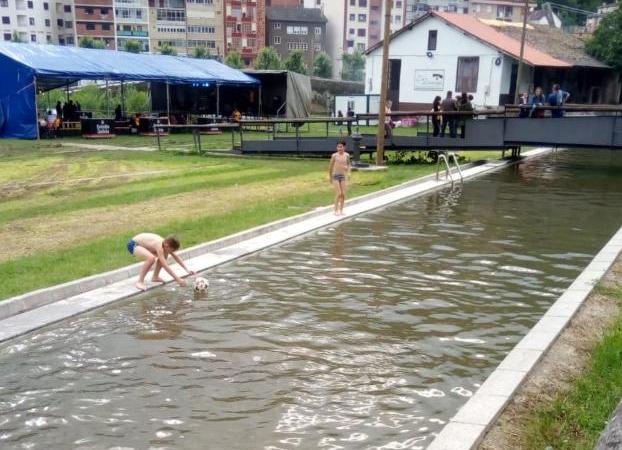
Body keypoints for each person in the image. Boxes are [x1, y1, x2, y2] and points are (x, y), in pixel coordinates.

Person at [127, 233, 195, 291]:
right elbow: (165, 265)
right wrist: (178, 279)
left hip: (143, 245)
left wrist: (187, 270)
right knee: (151, 258)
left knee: (164, 254)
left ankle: (155, 277)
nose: (171, 252)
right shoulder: (159, 246)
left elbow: (176, 257)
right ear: (167, 245)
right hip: (133, 245)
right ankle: (139, 282)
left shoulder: (166, 244)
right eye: (171, 250)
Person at [328, 140, 351, 216]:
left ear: (344, 147)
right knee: (339, 193)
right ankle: (335, 210)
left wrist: (348, 171)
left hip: (343, 176)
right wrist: (330, 177)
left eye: (341, 147)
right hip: (335, 176)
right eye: (338, 147)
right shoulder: (334, 156)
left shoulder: (347, 155)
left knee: (343, 194)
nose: (339, 148)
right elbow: (330, 167)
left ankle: (341, 210)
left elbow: (348, 165)